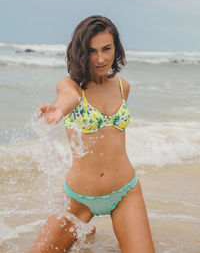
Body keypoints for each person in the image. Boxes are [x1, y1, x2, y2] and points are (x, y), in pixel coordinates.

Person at [30, 15, 155, 252]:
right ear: (80, 52)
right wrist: (58, 109)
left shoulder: (122, 86)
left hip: (125, 193)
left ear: (116, 48)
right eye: (91, 51)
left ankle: (90, 231)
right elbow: (68, 97)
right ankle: (87, 227)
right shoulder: (71, 85)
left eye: (106, 49)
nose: (100, 58)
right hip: (79, 199)